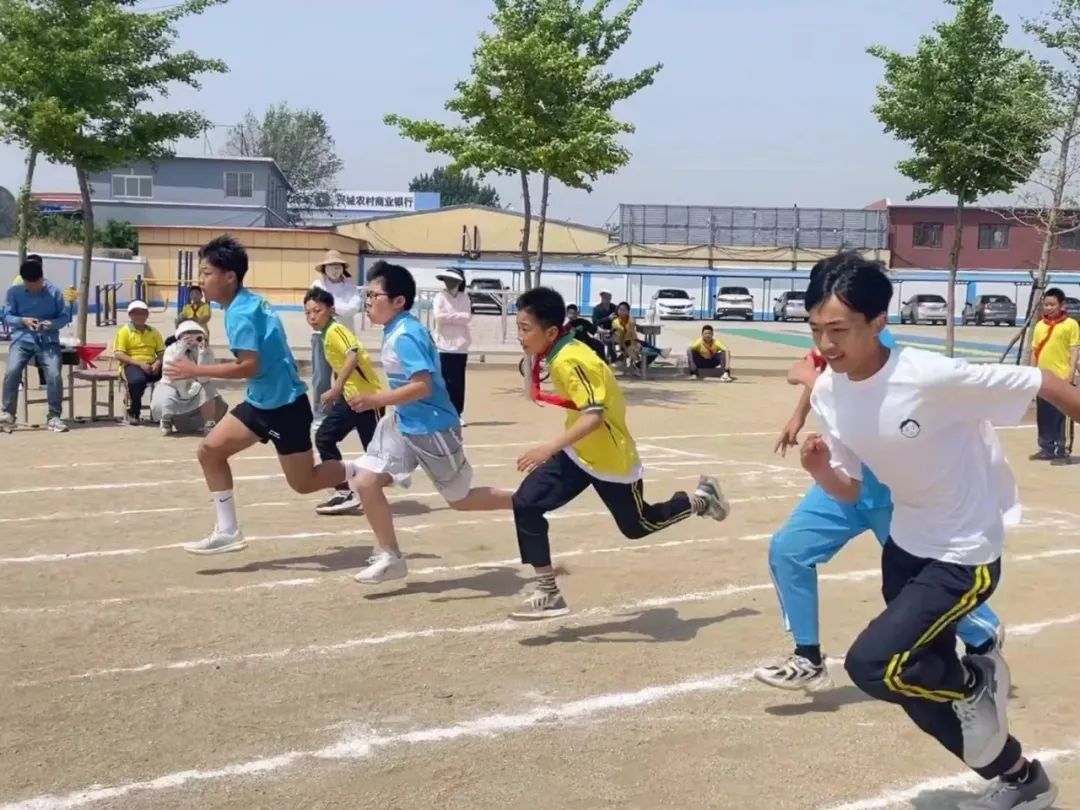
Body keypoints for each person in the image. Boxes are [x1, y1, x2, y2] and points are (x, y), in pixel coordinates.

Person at [800, 252, 1074, 810]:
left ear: (879, 323)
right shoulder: (830, 391)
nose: (827, 346)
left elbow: (1042, 379)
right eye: (816, 330)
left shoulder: (930, 376)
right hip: (905, 548)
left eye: (839, 330)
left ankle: (975, 679)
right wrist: (821, 472)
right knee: (916, 688)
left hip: (963, 553)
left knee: (873, 666)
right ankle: (1022, 780)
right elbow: (853, 488)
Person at [756, 325, 1003, 693]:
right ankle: (808, 658)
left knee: (918, 587)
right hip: (843, 481)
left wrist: (808, 375)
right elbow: (820, 371)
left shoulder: (877, 345)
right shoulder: (830, 338)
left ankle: (982, 634)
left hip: (893, 492)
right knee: (788, 550)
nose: (823, 333)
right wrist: (798, 417)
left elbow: (850, 390)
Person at [509, 286, 730, 619]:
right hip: (578, 453)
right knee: (526, 503)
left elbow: (595, 415)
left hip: (610, 458)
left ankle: (701, 500)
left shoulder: (571, 359)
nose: (519, 336)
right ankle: (548, 592)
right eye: (518, 327)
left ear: (551, 331)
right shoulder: (558, 351)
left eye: (525, 329)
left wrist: (547, 448)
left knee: (637, 526)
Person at [166, 235, 349, 555]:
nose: (201, 281)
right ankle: (227, 531)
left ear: (230, 276)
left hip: (285, 407)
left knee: (303, 483)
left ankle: (368, 472)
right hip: (262, 401)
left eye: (207, 273)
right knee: (209, 451)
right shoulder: (247, 302)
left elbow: (248, 366)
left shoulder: (240, 313)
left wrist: (196, 370)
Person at [346, 261, 515, 584]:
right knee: (365, 482)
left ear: (398, 301)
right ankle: (390, 556)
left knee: (460, 501)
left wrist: (374, 400)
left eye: (374, 295)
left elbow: (422, 386)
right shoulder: (395, 329)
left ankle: (525, 501)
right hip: (403, 422)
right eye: (367, 295)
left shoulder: (406, 334)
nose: (368, 302)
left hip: (433, 427)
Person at [304, 286, 384, 516]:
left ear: (330, 310)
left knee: (375, 452)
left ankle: (407, 462)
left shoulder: (336, 330)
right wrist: (339, 392)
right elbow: (343, 365)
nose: (312, 317)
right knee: (325, 437)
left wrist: (335, 388)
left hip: (368, 399)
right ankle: (345, 491)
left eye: (317, 311)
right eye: (308, 313)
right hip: (351, 400)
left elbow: (353, 354)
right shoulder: (326, 334)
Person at [0, 258, 70, 432]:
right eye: (29, 285)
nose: (33, 288)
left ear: (41, 279)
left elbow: (64, 317)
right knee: (12, 371)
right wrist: (22, 320)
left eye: (36, 284)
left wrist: (51, 324)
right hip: (22, 340)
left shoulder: (55, 293)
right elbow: (7, 316)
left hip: (48, 342)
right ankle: (8, 414)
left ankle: (54, 416)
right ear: (23, 281)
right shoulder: (14, 293)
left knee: (54, 374)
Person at [311, 250, 361, 428]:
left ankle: (346, 415)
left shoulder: (350, 285)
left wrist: (333, 308)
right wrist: (337, 308)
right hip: (322, 336)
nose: (334, 270)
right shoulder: (317, 285)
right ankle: (320, 414)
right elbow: (319, 307)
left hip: (345, 337)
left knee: (346, 377)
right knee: (321, 378)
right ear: (324, 269)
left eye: (337, 266)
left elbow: (354, 307)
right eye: (331, 266)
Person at [1029, 287, 1078, 464]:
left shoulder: (1070, 325)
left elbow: (1074, 351)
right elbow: (1034, 351)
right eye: (1046, 304)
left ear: (1062, 305)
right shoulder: (1040, 326)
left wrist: (1070, 375)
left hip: (1062, 377)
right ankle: (1046, 447)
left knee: (1061, 415)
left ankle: (1061, 450)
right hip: (1043, 378)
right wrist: (1031, 373)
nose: (1048, 308)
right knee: (1044, 415)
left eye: (1052, 304)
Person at [152, 321, 227, 436]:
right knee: (165, 396)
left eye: (197, 335)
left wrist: (202, 355)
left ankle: (209, 423)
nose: (193, 338)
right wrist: (182, 349)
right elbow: (172, 372)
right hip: (172, 385)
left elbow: (204, 378)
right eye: (189, 335)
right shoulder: (171, 349)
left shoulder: (206, 351)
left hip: (193, 386)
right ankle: (166, 420)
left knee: (207, 388)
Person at [114, 301, 165, 426]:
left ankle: (169, 413)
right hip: (132, 364)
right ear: (130, 315)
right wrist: (140, 364)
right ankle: (134, 411)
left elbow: (161, 352)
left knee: (175, 374)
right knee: (137, 381)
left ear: (147, 315)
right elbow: (119, 354)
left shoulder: (154, 332)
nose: (139, 316)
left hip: (152, 363)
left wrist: (157, 364)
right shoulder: (124, 331)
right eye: (135, 313)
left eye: (142, 313)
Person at [433, 268, 472, 424]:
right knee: (442, 380)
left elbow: (467, 317)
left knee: (458, 381)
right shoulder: (440, 297)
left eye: (452, 280)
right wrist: (457, 316)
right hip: (442, 345)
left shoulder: (465, 298)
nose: (449, 284)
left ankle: (457, 413)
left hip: (461, 346)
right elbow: (438, 317)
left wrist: (450, 317)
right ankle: (442, 411)